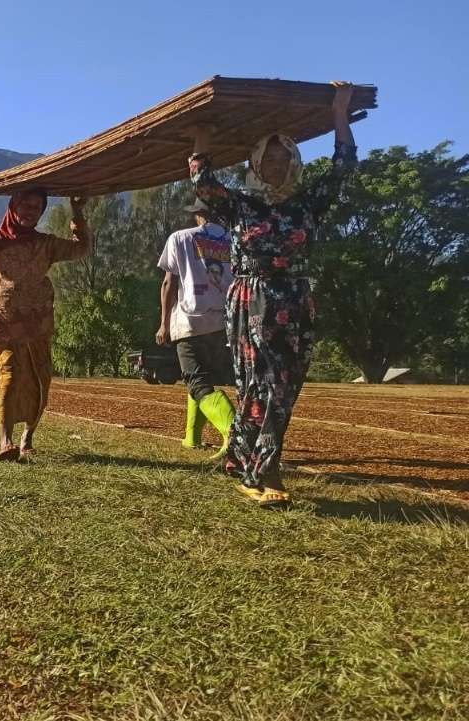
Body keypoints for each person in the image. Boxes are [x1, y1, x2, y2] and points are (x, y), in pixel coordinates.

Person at [188, 82, 358, 506]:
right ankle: (266, 470)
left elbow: (343, 167)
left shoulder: (307, 204)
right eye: (270, 159)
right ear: (256, 164)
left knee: (283, 385)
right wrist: (203, 128)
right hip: (252, 300)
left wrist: (340, 111)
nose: (277, 166)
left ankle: (245, 461)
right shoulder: (241, 205)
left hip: (296, 300)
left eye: (286, 159)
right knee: (264, 385)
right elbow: (202, 179)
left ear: (295, 163)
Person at [0, 180, 91, 461]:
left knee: (41, 380)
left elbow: (81, 249)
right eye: (25, 205)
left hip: (38, 325)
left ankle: (27, 437)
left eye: (37, 208)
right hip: (5, 325)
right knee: (10, 377)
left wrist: (76, 212)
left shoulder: (46, 244)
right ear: (13, 206)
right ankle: (5, 441)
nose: (30, 212)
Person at [155, 199, 236, 457]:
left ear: (199, 214)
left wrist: (164, 324)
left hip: (192, 321)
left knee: (196, 380)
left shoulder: (180, 238)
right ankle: (192, 436)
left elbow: (169, 283)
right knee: (203, 380)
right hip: (226, 322)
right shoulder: (235, 240)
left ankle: (236, 431)